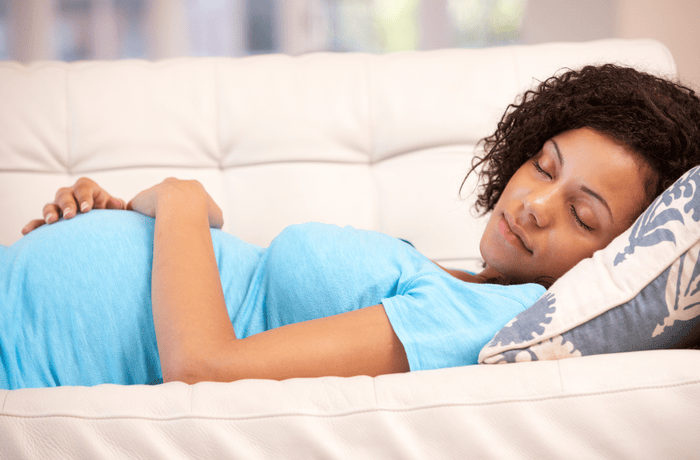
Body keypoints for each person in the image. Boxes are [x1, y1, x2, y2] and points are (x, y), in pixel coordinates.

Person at [5, 64, 700, 390]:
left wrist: (183, 201)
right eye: (544, 166)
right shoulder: (468, 284)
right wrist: (130, 216)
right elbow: (247, 292)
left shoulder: (492, 316)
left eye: (583, 214)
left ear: (625, 257)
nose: (533, 205)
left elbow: (207, 367)